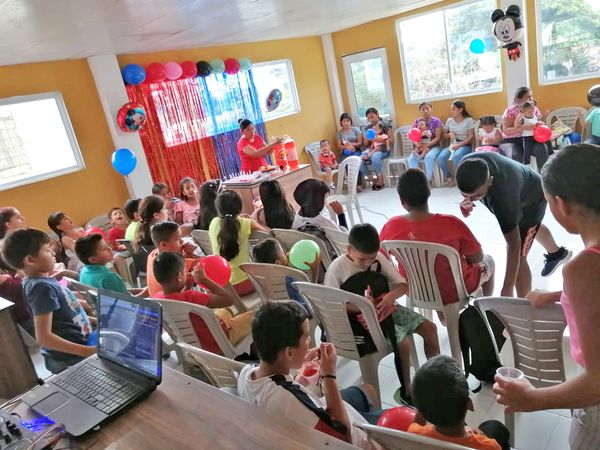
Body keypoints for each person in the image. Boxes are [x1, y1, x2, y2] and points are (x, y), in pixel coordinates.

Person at [494, 144, 600, 449]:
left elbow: (597, 381)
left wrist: (532, 398)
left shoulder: (583, 267)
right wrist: (559, 295)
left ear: (561, 205)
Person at [237, 300, 384, 449]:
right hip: (353, 438)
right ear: (289, 353)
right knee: (388, 420)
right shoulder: (289, 400)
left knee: (368, 390)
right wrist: (328, 375)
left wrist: (297, 374)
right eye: (306, 337)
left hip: (310, 413)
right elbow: (343, 436)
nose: (310, 341)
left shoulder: (246, 372)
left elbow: (281, 386)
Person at [325, 223, 439, 404]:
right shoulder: (338, 268)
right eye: (363, 259)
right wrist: (362, 306)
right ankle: (407, 391)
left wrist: (390, 296)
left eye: (371, 258)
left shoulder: (378, 258)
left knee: (430, 329)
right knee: (404, 343)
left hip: (385, 308)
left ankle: (438, 378)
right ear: (349, 249)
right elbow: (330, 303)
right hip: (361, 320)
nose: (368, 263)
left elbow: (402, 285)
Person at [456, 152, 571, 297]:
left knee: (521, 254)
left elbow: (513, 244)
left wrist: (507, 288)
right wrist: (468, 200)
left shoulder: (504, 196)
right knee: (528, 229)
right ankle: (557, 253)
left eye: (476, 196)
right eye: (464, 194)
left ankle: (524, 304)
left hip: (533, 197)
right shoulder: (466, 165)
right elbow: (471, 190)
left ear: (490, 181)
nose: (470, 198)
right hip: (520, 183)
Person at [380, 169, 495, 305]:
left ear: (402, 201)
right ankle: (485, 308)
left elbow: (381, 260)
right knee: (489, 261)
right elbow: (477, 257)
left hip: (414, 290)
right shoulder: (451, 223)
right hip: (453, 291)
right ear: (429, 191)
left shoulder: (390, 227)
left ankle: (445, 314)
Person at [2, 229, 94, 373]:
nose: (52, 253)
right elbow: (43, 337)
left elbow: (69, 312)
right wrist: (86, 351)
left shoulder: (44, 281)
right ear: (30, 260)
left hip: (80, 345)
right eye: (46, 250)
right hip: (70, 359)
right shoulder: (40, 288)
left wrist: (95, 320)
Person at [154, 252, 254, 355]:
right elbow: (229, 300)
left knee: (225, 311)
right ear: (179, 276)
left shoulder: (157, 299)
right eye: (184, 271)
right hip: (219, 341)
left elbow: (178, 302)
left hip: (191, 347)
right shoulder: (192, 297)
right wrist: (204, 280)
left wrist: (187, 287)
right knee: (255, 315)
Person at [410, 355, 510, 450]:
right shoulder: (489, 446)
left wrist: (424, 402)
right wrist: (475, 435)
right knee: (496, 428)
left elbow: (417, 422)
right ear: (469, 404)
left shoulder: (415, 435)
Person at [209, 190, 269, 296]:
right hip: (245, 284)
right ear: (240, 207)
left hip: (223, 286)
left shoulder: (213, 223)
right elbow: (270, 233)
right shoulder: (246, 223)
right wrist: (253, 220)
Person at [251, 238, 320, 315]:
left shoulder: (262, 278)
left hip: (278, 312)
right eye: (282, 252)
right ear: (277, 263)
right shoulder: (289, 279)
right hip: (300, 314)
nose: (286, 252)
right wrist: (315, 271)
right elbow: (309, 307)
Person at [501, 86, 550, 168]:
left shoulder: (534, 108)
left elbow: (538, 123)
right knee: (515, 155)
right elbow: (506, 131)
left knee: (542, 148)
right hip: (513, 140)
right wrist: (524, 128)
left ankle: (543, 173)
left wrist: (543, 119)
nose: (531, 99)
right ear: (518, 100)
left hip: (531, 138)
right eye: (528, 97)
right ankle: (523, 174)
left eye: (531, 96)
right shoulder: (510, 111)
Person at [146, 221, 198, 297]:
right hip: (174, 303)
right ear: (164, 244)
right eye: (178, 239)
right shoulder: (175, 263)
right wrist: (191, 254)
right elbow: (209, 261)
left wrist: (186, 254)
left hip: (157, 301)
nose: (182, 242)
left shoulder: (152, 255)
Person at [437, 100, 475, 187]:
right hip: (452, 145)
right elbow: (443, 136)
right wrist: (449, 135)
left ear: (461, 109)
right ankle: (449, 177)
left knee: (457, 157)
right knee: (441, 158)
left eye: (453, 109)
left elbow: (470, 137)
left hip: (464, 145)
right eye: (451, 109)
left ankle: (461, 179)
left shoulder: (468, 120)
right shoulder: (449, 121)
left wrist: (459, 145)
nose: (451, 111)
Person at [407, 102, 444, 185]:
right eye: (423, 109)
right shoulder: (417, 122)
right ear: (420, 111)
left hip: (434, 146)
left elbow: (438, 137)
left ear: (431, 109)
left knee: (429, 157)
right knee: (411, 159)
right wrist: (417, 144)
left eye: (427, 108)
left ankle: (428, 180)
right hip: (419, 147)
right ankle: (416, 181)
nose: (425, 111)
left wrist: (427, 145)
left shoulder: (436, 121)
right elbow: (412, 136)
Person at [132, 195, 168, 275]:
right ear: (156, 215)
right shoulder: (161, 233)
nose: (167, 211)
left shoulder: (142, 231)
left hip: (151, 272)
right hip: (166, 271)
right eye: (164, 209)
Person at [361, 109, 392, 190]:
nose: (371, 120)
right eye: (368, 118)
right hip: (371, 149)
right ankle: (373, 180)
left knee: (375, 157)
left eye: (372, 117)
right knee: (359, 160)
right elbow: (366, 144)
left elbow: (392, 140)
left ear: (377, 114)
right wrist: (365, 139)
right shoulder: (368, 128)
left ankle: (380, 180)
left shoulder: (384, 126)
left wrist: (379, 139)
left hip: (383, 149)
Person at [515, 101, 545, 166]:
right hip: (527, 138)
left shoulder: (534, 116)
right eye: (529, 112)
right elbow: (516, 126)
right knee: (527, 152)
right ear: (523, 112)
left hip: (536, 137)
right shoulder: (523, 119)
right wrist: (520, 115)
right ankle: (527, 164)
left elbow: (536, 123)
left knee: (539, 149)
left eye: (532, 111)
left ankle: (549, 156)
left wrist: (540, 123)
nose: (532, 113)